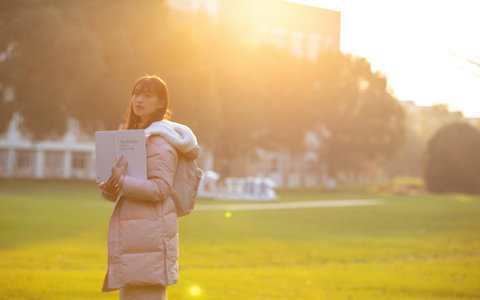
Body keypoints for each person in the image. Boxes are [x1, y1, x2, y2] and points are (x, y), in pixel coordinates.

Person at [97, 75, 200, 300]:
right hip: (135, 238)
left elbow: (159, 189)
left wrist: (122, 181)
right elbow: (131, 188)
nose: (139, 99)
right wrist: (112, 185)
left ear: (161, 103)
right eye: (136, 93)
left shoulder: (160, 141)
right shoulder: (133, 137)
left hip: (150, 239)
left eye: (147, 95)